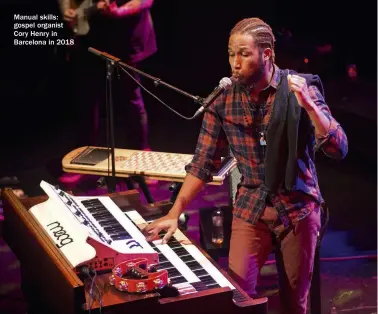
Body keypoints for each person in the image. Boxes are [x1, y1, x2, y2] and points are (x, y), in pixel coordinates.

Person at [143, 17, 348, 314]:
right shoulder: (223, 98)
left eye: (243, 54)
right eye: (230, 54)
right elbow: (203, 162)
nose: (235, 63)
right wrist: (174, 213)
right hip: (251, 205)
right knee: (236, 298)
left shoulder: (299, 89)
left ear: (267, 54)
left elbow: (338, 147)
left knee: (295, 304)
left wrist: (310, 106)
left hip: (298, 207)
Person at [58, 0, 157, 183]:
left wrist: (120, 12)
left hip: (126, 35)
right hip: (90, 35)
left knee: (131, 99)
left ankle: (142, 159)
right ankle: (84, 160)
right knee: (87, 99)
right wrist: (68, 11)